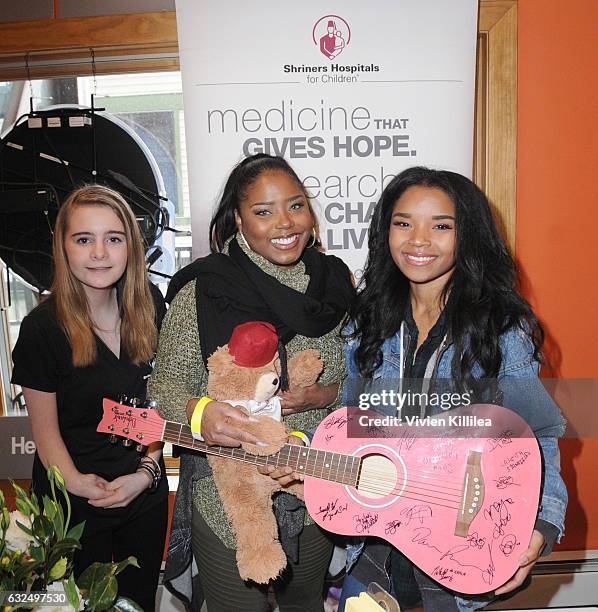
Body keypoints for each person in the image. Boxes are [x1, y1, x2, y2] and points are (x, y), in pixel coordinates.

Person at [339, 167, 567, 612]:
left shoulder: (501, 330)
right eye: (403, 223)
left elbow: (538, 438)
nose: (418, 240)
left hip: (460, 545)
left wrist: (540, 527)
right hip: (375, 546)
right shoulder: (366, 323)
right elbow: (351, 425)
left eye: (441, 226)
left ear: (469, 237)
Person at [149, 153, 354, 612]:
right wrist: (202, 413)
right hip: (229, 498)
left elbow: (358, 383)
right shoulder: (203, 291)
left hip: (314, 488)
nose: (285, 222)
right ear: (238, 219)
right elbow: (164, 387)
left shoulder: (336, 284)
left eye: (296, 205)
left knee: (307, 606)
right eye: (263, 212)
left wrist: (327, 394)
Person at [11, 185, 168, 611]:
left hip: (142, 491)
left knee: (138, 605)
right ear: (63, 248)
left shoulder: (150, 305)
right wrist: (80, 484)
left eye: (113, 238)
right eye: (84, 239)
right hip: (72, 501)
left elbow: (154, 406)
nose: (100, 252)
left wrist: (147, 471)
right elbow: (45, 437)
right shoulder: (42, 329)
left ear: (131, 247)